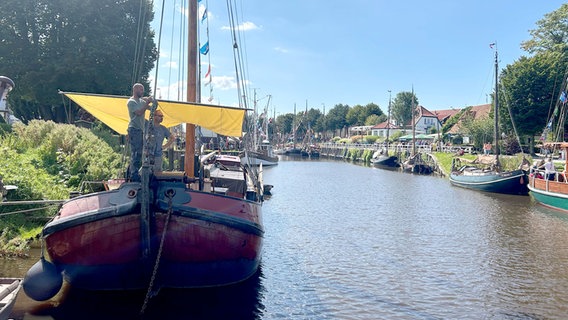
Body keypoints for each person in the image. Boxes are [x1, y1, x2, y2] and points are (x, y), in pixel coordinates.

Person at [127, 83, 153, 182]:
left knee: (139, 153)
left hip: (140, 130)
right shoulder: (131, 102)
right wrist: (146, 103)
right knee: (135, 153)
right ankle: (134, 175)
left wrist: (151, 100)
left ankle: (136, 172)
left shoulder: (141, 101)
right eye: (141, 90)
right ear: (135, 90)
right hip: (134, 129)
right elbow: (139, 112)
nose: (142, 92)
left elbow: (152, 108)